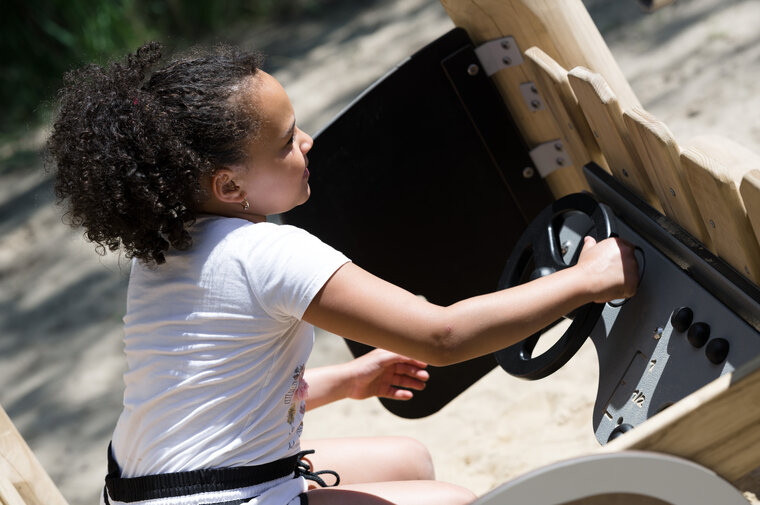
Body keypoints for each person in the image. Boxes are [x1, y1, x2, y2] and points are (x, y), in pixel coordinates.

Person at [46, 42, 638, 505]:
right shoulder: (269, 253)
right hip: (219, 495)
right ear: (228, 184)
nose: (306, 142)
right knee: (456, 502)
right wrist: (585, 281)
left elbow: (208, 397)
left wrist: (349, 380)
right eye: (284, 142)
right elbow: (442, 336)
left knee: (405, 460)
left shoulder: (163, 254)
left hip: (142, 491)